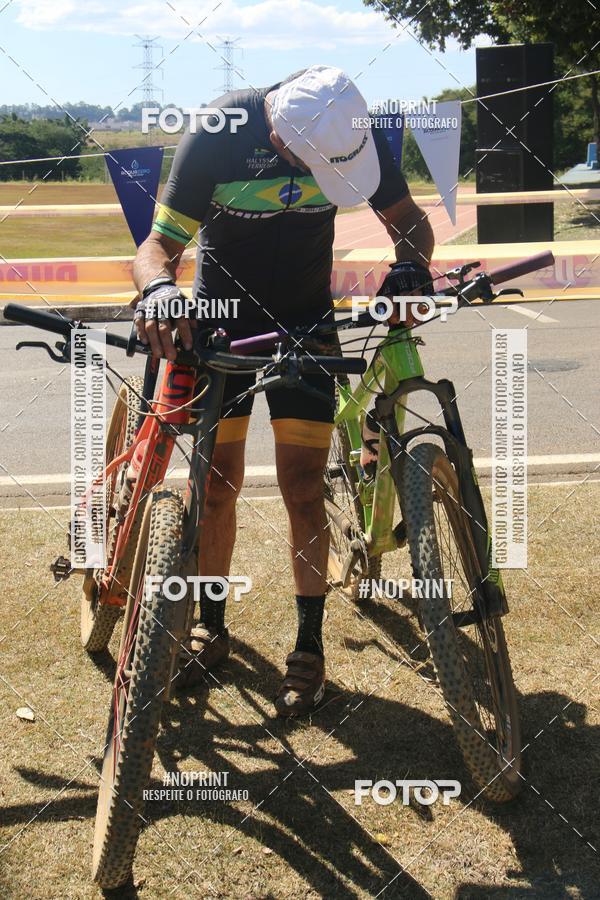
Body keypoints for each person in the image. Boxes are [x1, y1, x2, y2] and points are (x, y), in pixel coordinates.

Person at [131, 64, 434, 716]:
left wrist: (412, 265)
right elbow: (158, 246)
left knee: (302, 488)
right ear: (277, 136)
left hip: (307, 323)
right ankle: (211, 627)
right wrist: (158, 289)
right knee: (217, 487)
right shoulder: (217, 131)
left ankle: (308, 648)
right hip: (221, 327)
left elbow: (408, 219)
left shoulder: (352, 128)